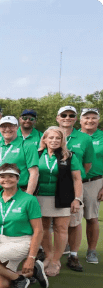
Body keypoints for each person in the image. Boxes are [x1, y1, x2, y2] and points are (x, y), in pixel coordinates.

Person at [36, 127, 83, 276]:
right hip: (40, 197)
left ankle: (56, 260)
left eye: (58, 138)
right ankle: (48, 256)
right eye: (51, 138)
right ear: (44, 139)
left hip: (63, 197)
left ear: (62, 140)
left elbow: (77, 179)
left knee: (61, 229)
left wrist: (77, 199)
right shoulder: (36, 154)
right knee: (43, 229)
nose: (54, 141)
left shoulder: (69, 156)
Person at [57, 106, 95, 270]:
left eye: (71, 115)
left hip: (73, 186)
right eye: (64, 115)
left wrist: (74, 181)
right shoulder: (50, 134)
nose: (67, 117)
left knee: (74, 222)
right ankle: (49, 254)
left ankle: (73, 255)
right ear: (57, 117)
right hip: (51, 185)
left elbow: (87, 164)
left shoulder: (84, 138)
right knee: (49, 223)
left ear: (75, 119)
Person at [0, 116, 39, 195]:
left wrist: (28, 195)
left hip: (20, 192)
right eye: (3, 126)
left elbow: (34, 172)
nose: (7, 129)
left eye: (11, 126)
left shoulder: (27, 146)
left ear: (17, 127)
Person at [78, 108, 103, 264]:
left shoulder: (102, 136)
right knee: (70, 218)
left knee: (92, 218)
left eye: (94, 117)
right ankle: (69, 247)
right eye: (86, 117)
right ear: (80, 120)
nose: (90, 120)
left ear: (98, 120)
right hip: (73, 182)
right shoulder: (72, 136)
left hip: (95, 181)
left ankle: (91, 251)